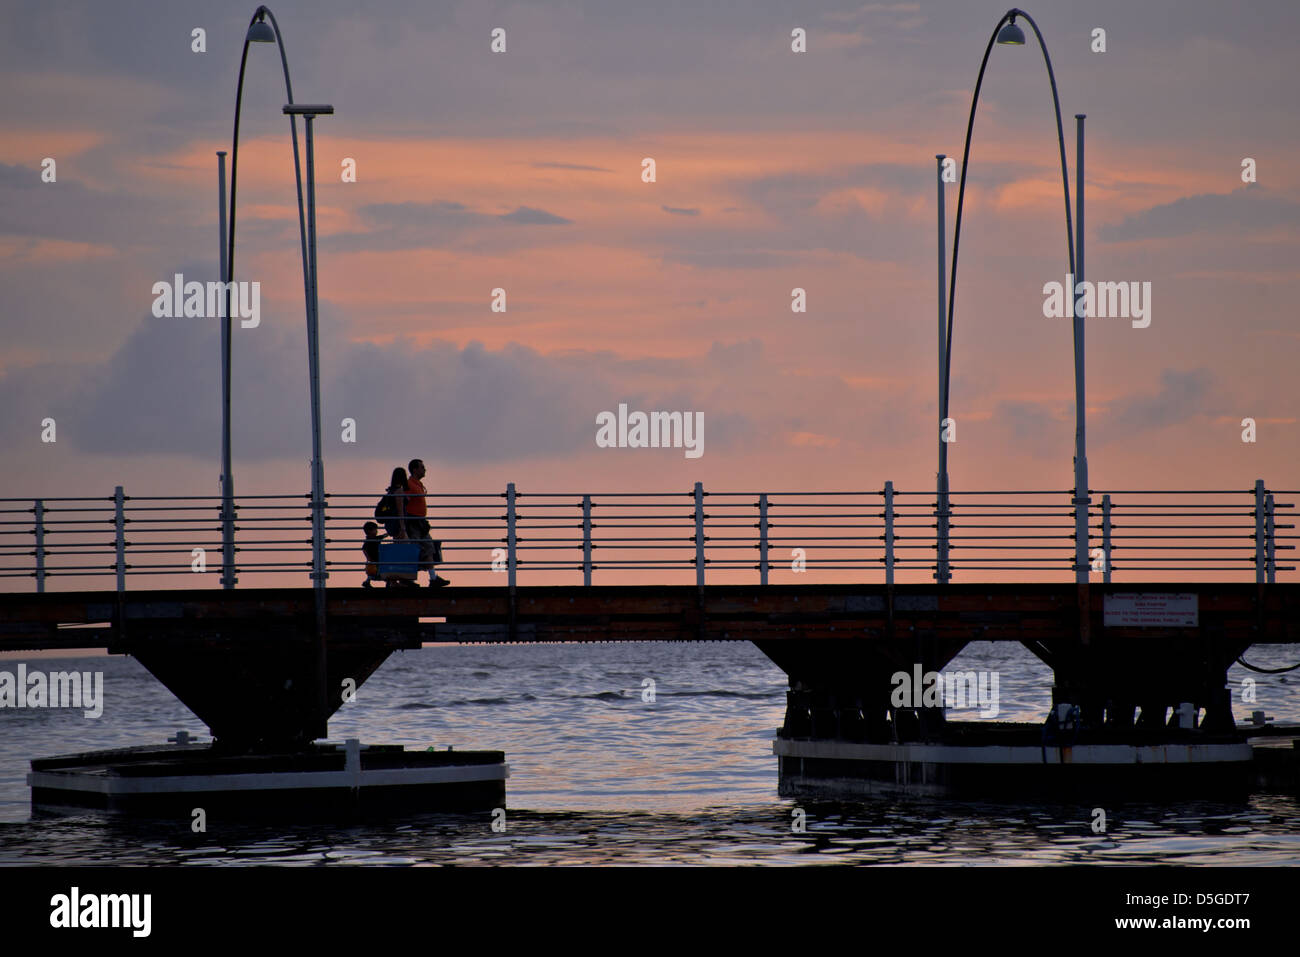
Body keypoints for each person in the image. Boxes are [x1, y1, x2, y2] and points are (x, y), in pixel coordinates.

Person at [406, 458, 449, 587]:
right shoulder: (409, 484)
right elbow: (404, 503)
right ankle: (409, 580)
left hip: (420, 522)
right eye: (422, 467)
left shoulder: (417, 484)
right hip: (412, 522)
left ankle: (433, 578)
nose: (425, 470)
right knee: (414, 550)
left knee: (429, 548)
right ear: (415, 469)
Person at [377, 467, 408, 541]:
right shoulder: (399, 491)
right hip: (398, 525)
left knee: (398, 546)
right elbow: (400, 510)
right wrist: (403, 528)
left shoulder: (390, 491)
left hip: (391, 523)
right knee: (406, 546)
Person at [360, 521, 385, 588]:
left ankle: (367, 582)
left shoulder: (368, 540)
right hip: (376, 558)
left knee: (372, 573)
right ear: (370, 531)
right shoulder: (375, 539)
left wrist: (368, 558)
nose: (377, 531)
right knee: (380, 571)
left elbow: (363, 549)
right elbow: (383, 536)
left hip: (373, 559)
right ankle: (389, 582)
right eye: (375, 530)